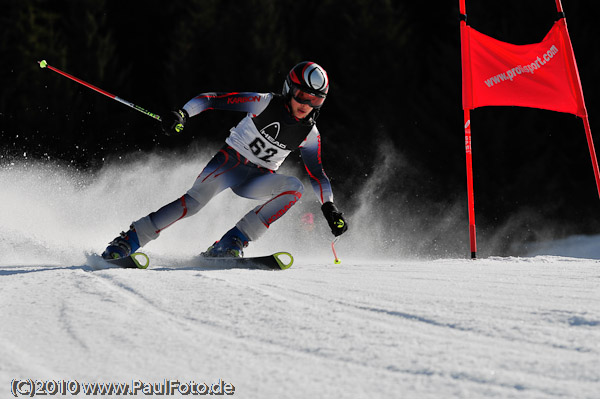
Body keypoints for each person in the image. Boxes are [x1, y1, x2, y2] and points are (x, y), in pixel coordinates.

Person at [101, 61, 348, 260]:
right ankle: (129, 240)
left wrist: (329, 206)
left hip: (258, 178)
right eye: (302, 95)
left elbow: (318, 174)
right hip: (229, 164)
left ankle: (231, 242)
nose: (306, 104)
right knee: (193, 203)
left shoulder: (310, 134)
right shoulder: (264, 103)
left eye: (315, 99)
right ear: (289, 89)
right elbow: (211, 99)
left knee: (294, 188)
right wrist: (183, 113)